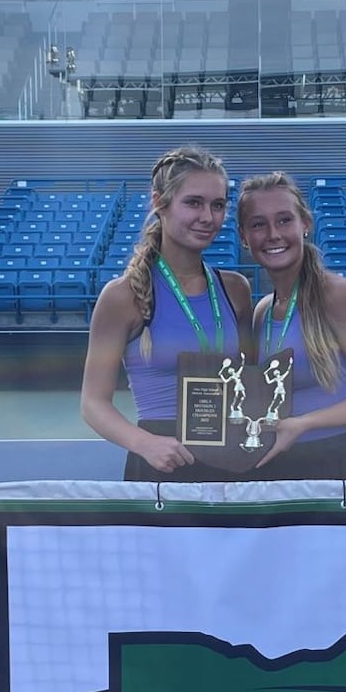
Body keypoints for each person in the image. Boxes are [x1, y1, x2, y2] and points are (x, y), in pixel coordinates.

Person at [80, 146, 255, 481]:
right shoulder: (122, 297)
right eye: (194, 202)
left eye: (217, 205)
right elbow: (93, 403)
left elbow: (249, 382)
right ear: (160, 203)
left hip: (233, 463)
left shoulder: (236, 290)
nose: (208, 216)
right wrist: (145, 444)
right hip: (161, 465)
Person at [235, 171, 346, 480]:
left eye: (284, 220)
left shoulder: (338, 294)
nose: (273, 234)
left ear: (305, 224)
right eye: (259, 224)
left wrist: (304, 423)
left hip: (339, 465)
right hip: (277, 468)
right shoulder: (262, 312)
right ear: (244, 236)